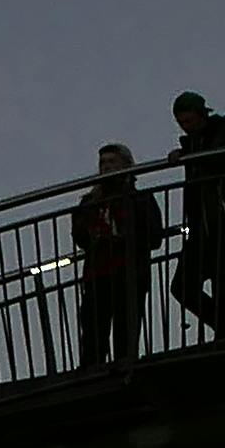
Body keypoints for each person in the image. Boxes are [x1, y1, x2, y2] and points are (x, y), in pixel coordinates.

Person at [168, 94, 225, 347]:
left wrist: (186, 154)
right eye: (182, 122)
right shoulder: (194, 143)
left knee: (222, 277)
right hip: (202, 224)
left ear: (202, 114)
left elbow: (219, 157)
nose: (186, 126)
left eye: (189, 120)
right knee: (182, 286)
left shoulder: (224, 128)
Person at [70, 143, 158, 372]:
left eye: (112, 162)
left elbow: (154, 235)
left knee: (125, 332)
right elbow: (80, 237)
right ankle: (91, 374)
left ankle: (124, 370)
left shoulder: (140, 198)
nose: (106, 167)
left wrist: (123, 237)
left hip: (128, 273)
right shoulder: (90, 202)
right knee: (92, 333)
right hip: (97, 274)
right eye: (103, 163)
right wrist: (88, 230)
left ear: (126, 165)